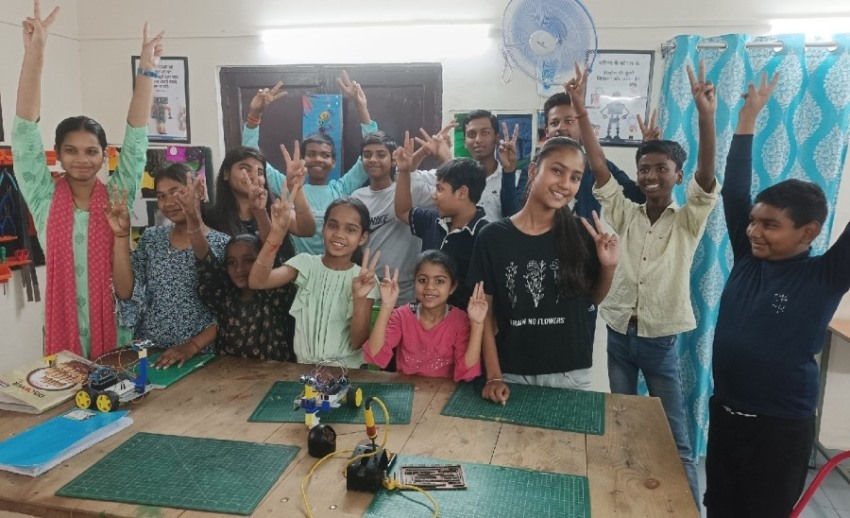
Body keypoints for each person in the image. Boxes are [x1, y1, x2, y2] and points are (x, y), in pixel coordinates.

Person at [566, 61, 719, 508]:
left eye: (661, 168)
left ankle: (689, 507)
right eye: (644, 168)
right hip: (618, 335)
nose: (651, 175)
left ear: (677, 174)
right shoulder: (625, 213)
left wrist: (705, 115)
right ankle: (627, 503)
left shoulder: (688, 219)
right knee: (623, 424)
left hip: (660, 341)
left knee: (676, 436)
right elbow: (597, 165)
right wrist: (581, 111)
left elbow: (707, 175)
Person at [706, 72, 850, 518]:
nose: (753, 231)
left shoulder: (825, 274)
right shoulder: (748, 256)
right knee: (720, 508)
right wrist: (748, 116)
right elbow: (733, 190)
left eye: (769, 225)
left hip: (779, 429)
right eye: (752, 221)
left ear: (808, 232)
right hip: (726, 414)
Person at [11, 1, 162, 360]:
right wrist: (36, 52)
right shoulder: (43, 196)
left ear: (103, 154)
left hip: (116, 329)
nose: (81, 159)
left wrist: (147, 70)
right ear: (58, 154)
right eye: (71, 150)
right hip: (62, 332)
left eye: (91, 151)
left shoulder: (116, 197)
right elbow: (24, 130)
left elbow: (137, 135)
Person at [467, 137, 619, 404]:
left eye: (575, 177)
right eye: (557, 171)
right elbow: (485, 314)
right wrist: (493, 375)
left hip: (570, 372)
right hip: (511, 372)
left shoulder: (582, 233)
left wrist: (608, 266)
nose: (565, 184)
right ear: (534, 170)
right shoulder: (492, 237)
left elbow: (591, 299)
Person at [241, 72, 379, 254]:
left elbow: (370, 155)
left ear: (333, 162)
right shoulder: (288, 186)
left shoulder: (341, 188)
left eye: (325, 155)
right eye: (311, 154)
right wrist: (254, 115)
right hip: (298, 272)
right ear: (302, 160)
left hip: (335, 269)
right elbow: (252, 158)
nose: (318, 159)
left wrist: (362, 108)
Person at [111, 164, 229, 368]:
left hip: (201, 356)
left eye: (177, 192)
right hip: (152, 351)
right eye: (161, 196)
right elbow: (124, 292)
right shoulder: (152, 238)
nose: (168, 202)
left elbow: (232, 311)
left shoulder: (224, 245)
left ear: (200, 191)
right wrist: (121, 236)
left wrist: (191, 346)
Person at [248, 197, 380, 368]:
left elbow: (357, 342)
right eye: (333, 225)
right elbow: (257, 281)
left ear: (362, 238)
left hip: (347, 373)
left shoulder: (365, 279)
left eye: (351, 229)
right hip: (305, 370)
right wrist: (276, 234)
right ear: (323, 228)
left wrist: (359, 299)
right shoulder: (306, 264)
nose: (339, 234)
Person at [394, 132, 488, 310]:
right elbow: (402, 211)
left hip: (463, 327)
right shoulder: (433, 220)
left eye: (440, 189)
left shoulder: (485, 234)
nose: (434, 196)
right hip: (426, 321)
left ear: (462, 192)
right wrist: (404, 171)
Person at [364, 250, 487, 382]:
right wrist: (387, 306)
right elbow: (375, 355)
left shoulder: (460, 320)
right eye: (422, 280)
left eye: (439, 281)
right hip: (406, 391)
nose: (429, 287)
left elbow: (468, 374)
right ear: (414, 283)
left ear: (452, 287)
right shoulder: (401, 315)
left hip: (443, 392)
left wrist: (477, 324)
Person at [352, 131, 434, 305]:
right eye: (367, 155)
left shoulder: (411, 189)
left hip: (409, 290)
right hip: (370, 286)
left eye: (381, 154)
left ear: (393, 160)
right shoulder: (356, 197)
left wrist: (433, 153)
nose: (373, 159)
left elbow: (447, 197)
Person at [197, 233, 297, 362]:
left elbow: (275, 258)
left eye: (248, 260)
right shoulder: (225, 298)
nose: (239, 269)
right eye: (231, 262)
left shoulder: (273, 296)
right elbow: (206, 262)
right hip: (228, 374)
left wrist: (275, 227)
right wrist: (193, 223)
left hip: (272, 374)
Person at [460, 110, 522, 220]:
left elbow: (516, 218)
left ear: (497, 138)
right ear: (465, 142)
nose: (478, 140)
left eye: (484, 133)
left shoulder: (516, 179)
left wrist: (509, 170)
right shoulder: (457, 179)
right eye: (472, 134)